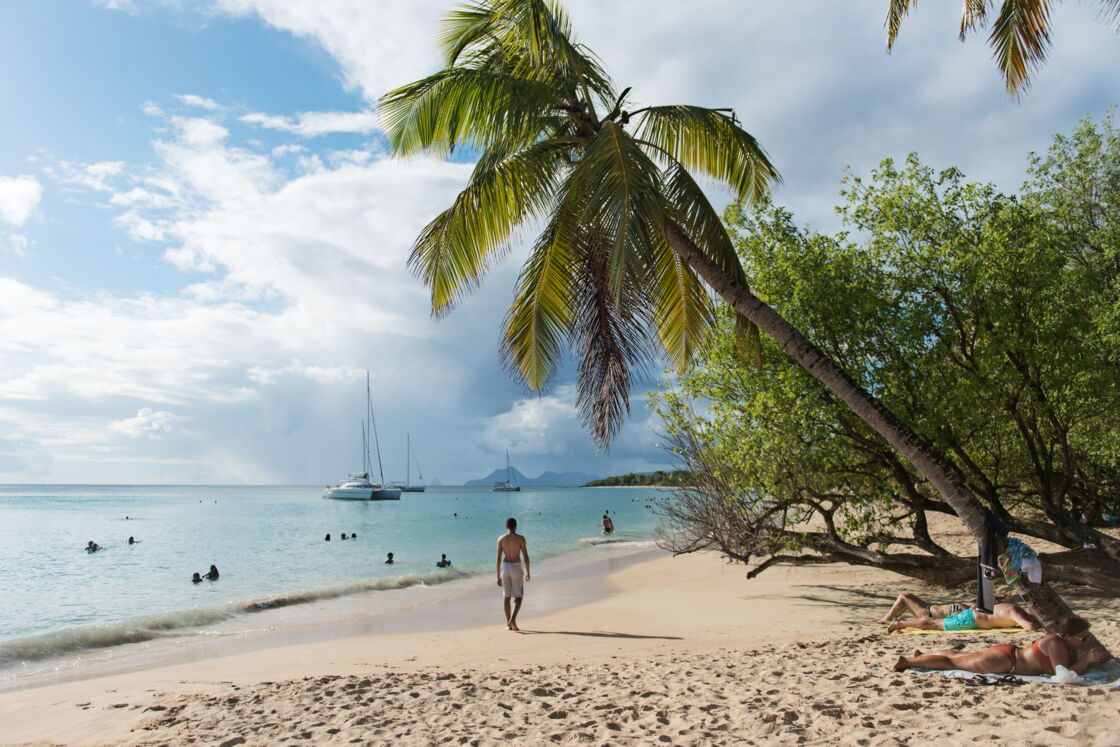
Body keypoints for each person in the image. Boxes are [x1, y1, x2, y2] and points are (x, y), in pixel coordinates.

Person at [894, 625, 1104, 675]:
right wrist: (1086, 661)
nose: (1086, 640)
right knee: (954, 663)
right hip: (1006, 661)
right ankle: (908, 663)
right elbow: (1064, 675)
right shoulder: (1057, 644)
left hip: (1007, 655)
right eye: (1083, 637)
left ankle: (923, 657)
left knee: (959, 656)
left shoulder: (1057, 641)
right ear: (1068, 635)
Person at [887, 602, 1040, 633]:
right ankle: (900, 623)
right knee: (934, 624)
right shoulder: (1016, 612)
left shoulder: (1014, 607)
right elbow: (1029, 627)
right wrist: (1038, 625)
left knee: (936, 623)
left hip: (972, 615)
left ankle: (901, 622)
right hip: (971, 619)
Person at [496, 517, 531, 631]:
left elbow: (498, 559)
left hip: (505, 567)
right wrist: (528, 572)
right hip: (516, 566)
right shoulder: (521, 539)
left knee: (506, 596)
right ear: (516, 526)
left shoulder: (501, 539)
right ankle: (513, 619)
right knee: (519, 596)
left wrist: (497, 576)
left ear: (506, 526)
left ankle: (508, 623)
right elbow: (526, 557)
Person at [879, 592, 968, 623]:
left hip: (929, 613)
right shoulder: (967, 611)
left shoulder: (965, 612)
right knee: (906, 597)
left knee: (904, 596)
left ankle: (887, 618)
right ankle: (890, 617)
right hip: (933, 610)